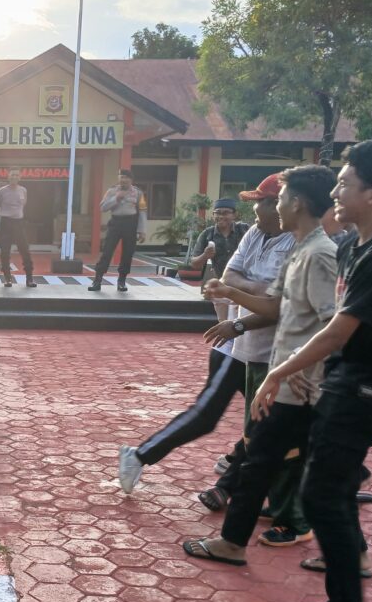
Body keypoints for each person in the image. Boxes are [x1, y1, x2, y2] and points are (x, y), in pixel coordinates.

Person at [252, 139, 372, 602]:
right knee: (333, 492)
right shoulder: (358, 243)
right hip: (351, 380)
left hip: (370, 387)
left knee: (323, 495)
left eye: (344, 183)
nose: (335, 191)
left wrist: (277, 373)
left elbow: (336, 330)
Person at [180, 165, 338, 565]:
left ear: (295, 203)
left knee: (275, 455)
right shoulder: (302, 247)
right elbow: (275, 306)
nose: (275, 206)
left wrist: (297, 371)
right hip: (280, 369)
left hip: (297, 376)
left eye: (281, 198)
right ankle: (257, 534)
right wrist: (235, 319)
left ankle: (320, 541)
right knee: (264, 451)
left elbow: (329, 323)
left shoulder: (318, 253)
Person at [116, 176, 292, 496]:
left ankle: (230, 479)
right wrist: (250, 292)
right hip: (237, 347)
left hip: (270, 351)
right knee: (209, 415)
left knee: (271, 423)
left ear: (282, 206)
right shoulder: (254, 233)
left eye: (260, 202)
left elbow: (274, 301)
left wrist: (240, 291)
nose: (253, 209)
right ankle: (139, 455)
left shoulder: (298, 243)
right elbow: (229, 277)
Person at [188, 198, 249, 321]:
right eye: (218, 213)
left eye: (226, 213)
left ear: (234, 215)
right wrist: (205, 255)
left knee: (241, 324)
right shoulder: (207, 234)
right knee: (223, 324)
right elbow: (194, 264)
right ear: (213, 215)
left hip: (243, 286)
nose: (221, 216)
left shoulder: (244, 230)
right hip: (221, 285)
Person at [89, 170, 147, 292]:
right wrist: (116, 198)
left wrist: (142, 230)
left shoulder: (138, 193)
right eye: (121, 177)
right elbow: (103, 207)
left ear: (131, 180)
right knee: (107, 251)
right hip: (115, 223)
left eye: (126, 178)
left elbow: (142, 211)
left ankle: (121, 281)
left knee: (127, 253)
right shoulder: (111, 191)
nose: (123, 180)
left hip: (130, 224)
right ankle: (97, 280)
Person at [0, 168, 35, 288]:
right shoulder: (2, 191)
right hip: (5, 223)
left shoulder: (23, 190)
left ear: (19, 178)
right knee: (5, 251)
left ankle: (29, 278)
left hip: (19, 223)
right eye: (12, 175)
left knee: (25, 250)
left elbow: (23, 205)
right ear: (8, 177)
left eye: (16, 175)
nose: (14, 177)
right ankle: (7, 278)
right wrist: (5, 215)